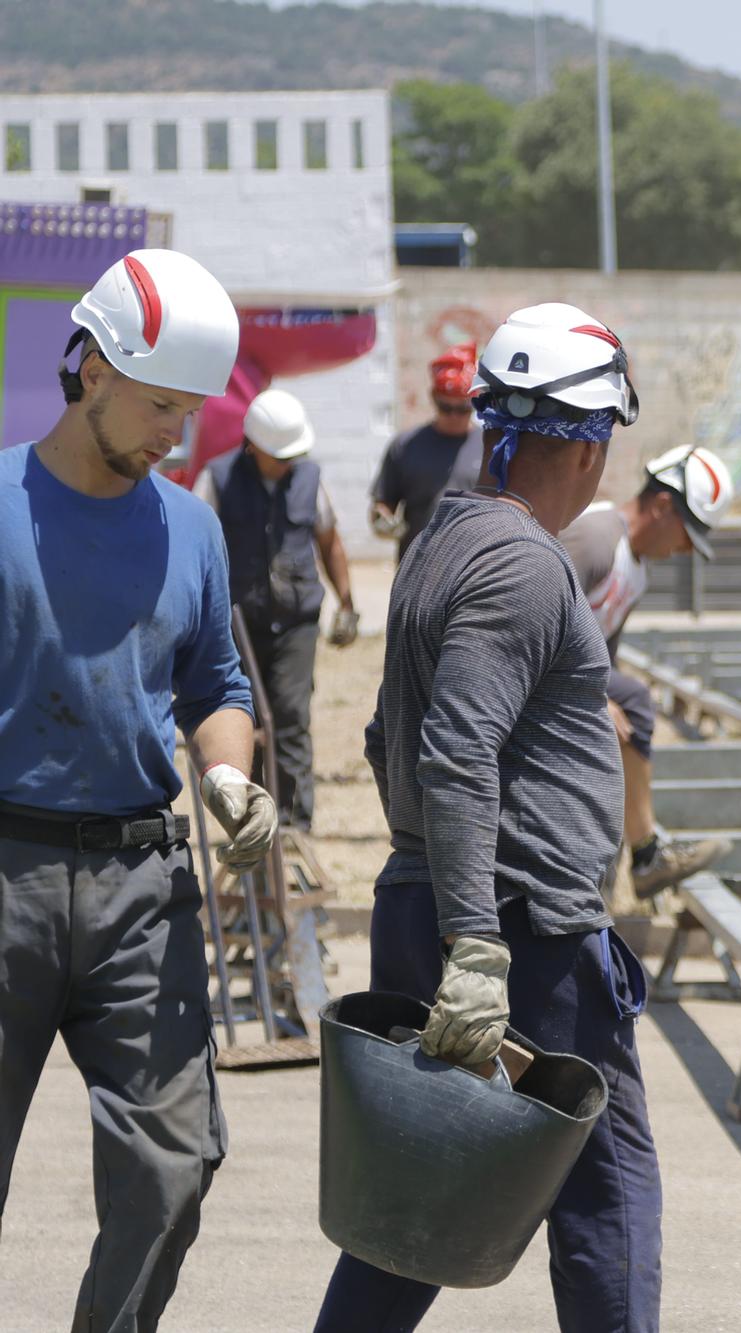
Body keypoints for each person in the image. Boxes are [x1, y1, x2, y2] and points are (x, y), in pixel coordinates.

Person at [315, 303, 661, 1332]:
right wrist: (476, 944)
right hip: (521, 936)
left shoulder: (441, 537)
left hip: (445, 902)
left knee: (427, 1195)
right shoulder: (520, 563)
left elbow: (389, 736)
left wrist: (431, 885)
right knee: (606, 1187)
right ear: (589, 439)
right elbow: (457, 751)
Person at [0, 249, 278, 1331]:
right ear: (93, 369)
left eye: (192, 410)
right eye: (161, 405)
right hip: (7, 871)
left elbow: (216, 683)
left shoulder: (193, 527)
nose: (179, 432)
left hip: (138, 885)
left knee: (173, 1164)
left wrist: (226, 773)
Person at [559, 445, 736, 897]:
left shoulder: (635, 575)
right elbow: (531, 622)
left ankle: (636, 857)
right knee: (632, 701)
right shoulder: (596, 542)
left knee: (628, 704)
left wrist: (599, 695)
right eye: (685, 536)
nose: (681, 552)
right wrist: (594, 699)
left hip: (564, 687)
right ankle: (645, 855)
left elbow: (602, 657)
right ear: (661, 506)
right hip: (532, 683)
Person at [193, 387, 361, 831]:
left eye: (293, 455)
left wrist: (347, 602)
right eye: (279, 455)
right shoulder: (218, 478)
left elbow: (330, 540)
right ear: (254, 445)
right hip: (236, 624)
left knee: (290, 718)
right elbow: (193, 549)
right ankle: (250, 822)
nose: (288, 463)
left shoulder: (309, 478)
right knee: (242, 719)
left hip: (295, 624)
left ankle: (293, 826)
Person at [367, 342, 484, 561]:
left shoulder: (491, 447)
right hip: (417, 564)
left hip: (473, 565)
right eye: (445, 408)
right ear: (433, 398)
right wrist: (382, 519)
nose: (453, 417)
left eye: (462, 409)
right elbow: (384, 502)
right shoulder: (406, 445)